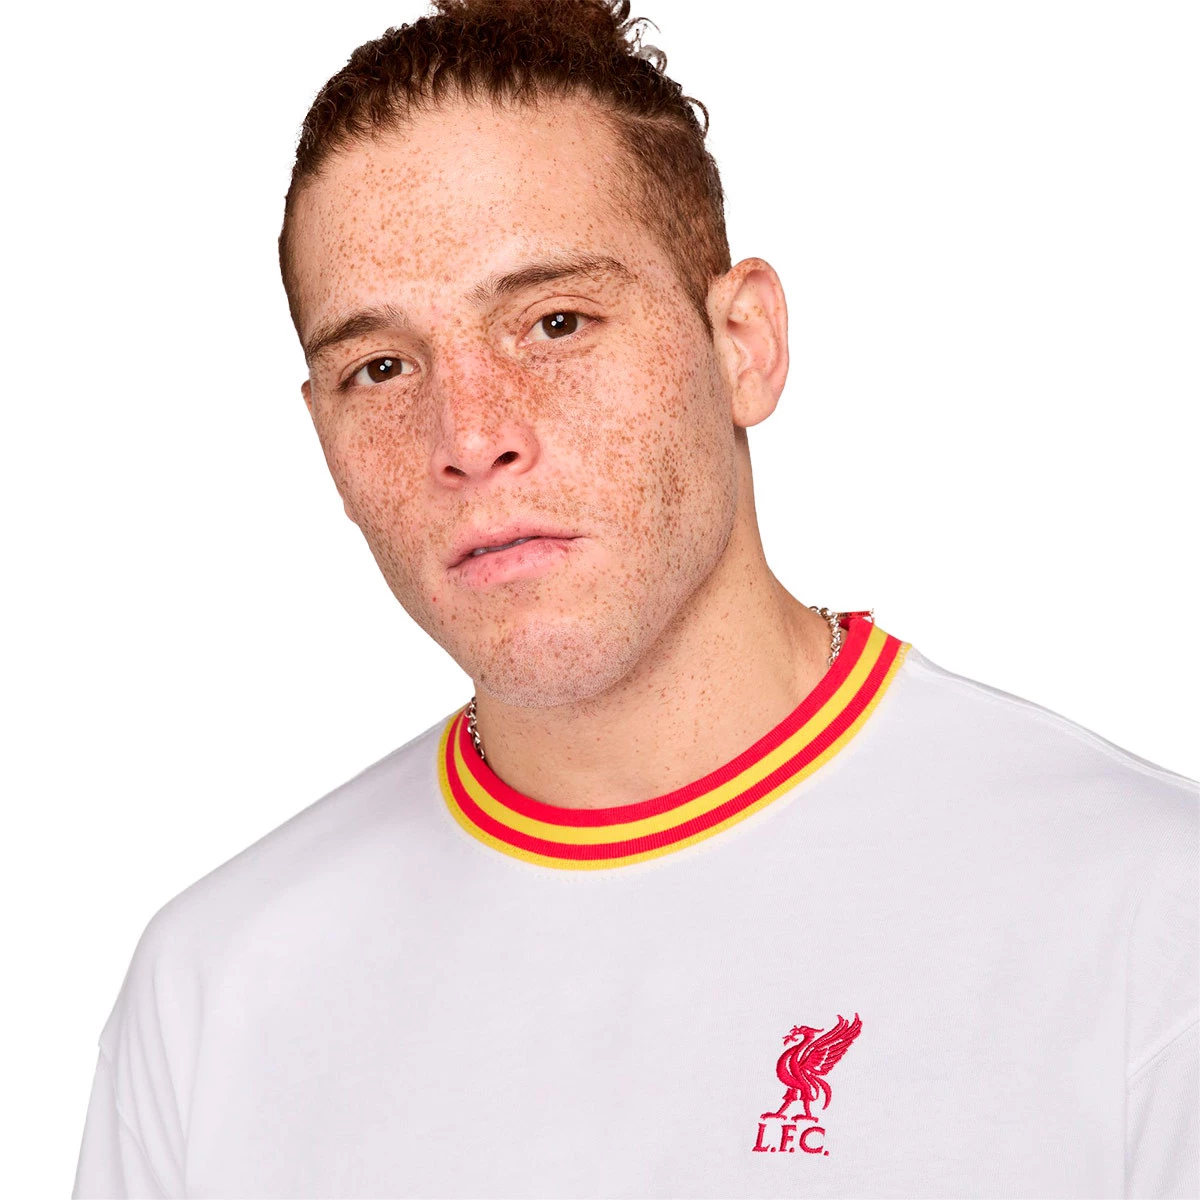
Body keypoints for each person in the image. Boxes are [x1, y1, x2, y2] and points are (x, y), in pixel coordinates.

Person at [71, 1, 1198, 1196]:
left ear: (743, 345)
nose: (469, 436)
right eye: (381, 367)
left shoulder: (1147, 918)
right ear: (323, 438)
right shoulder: (215, 995)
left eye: (555, 322)